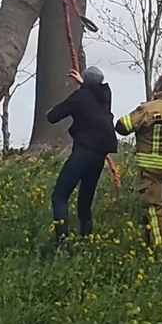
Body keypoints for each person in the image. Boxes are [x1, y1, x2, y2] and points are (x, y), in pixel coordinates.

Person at [115, 73, 162, 247]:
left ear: (158, 88)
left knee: (154, 208)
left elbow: (122, 126)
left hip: (151, 169)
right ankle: (149, 241)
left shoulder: (147, 109)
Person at [46, 66, 118, 244]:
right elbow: (93, 90)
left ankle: (62, 242)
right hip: (99, 156)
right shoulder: (105, 96)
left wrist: (51, 110)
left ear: (86, 81)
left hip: (83, 152)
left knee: (59, 197)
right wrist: (84, 82)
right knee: (85, 202)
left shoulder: (79, 97)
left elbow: (53, 117)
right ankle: (87, 240)